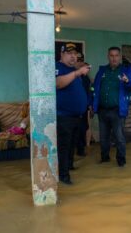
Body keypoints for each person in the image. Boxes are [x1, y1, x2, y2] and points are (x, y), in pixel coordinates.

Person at [93, 47, 131, 167]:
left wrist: (128, 81)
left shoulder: (126, 71)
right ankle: (105, 159)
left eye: (116, 55)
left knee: (119, 137)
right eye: (111, 55)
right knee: (103, 138)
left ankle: (121, 161)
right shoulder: (102, 71)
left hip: (117, 111)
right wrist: (92, 104)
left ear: (120, 56)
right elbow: (95, 88)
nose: (114, 58)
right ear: (108, 56)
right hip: (102, 110)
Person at [56, 42, 90, 185]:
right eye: (69, 54)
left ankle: (69, 166)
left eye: (75, 54)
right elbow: (58, 83)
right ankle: (63, 176)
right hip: (64, 116)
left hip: (78, 116)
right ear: (62, 55)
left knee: (72, 145)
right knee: (64, 147)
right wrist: (77, 73)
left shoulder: (74, 71)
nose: (73, 57)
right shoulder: (58, 67)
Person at [75, 61, 93, 157]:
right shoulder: (74, 76)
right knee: (77, 129)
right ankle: (78, 148)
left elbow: (89, 92)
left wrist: (90, 105)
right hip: (74, 108)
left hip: (84, 108)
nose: (87, 70)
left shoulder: (86, 78)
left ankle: (81, 149)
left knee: (83, 128)